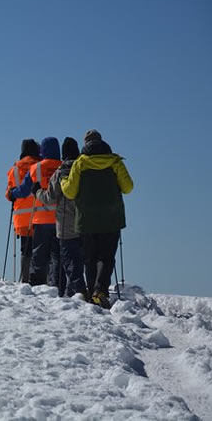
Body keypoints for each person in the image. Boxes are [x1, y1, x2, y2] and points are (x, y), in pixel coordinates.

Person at [60, 130, 133, 308]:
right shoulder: (115, 162)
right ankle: (100, 291)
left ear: (85, 144)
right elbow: (128, 187)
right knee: (106, 256)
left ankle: (93, 293)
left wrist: (63, 180)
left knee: (90, 258)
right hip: (111, 217)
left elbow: (70, 192)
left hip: (86, 219)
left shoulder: (80, 163)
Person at [33, 137, 86, 298]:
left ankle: (73, 292)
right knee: (79, 261)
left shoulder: (60, 172)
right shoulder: (84, 170)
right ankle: (75, 292)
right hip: (85, 223)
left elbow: (50, 198)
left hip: (64, 225)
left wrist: (37, 191)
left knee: (67, 261)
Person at [10, 137, 62, 291]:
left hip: (41, 218)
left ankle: (37, 285)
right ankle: (56, 285)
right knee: (56, 255)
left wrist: (13, 193)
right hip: (61, 219)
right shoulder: (63, 167)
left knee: (38, 254)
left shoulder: (36, 168)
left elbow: (24, 190)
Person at [5, 139, 40, 283]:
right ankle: (40, 281)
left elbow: (9, 194)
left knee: (25, 250)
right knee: (40, 250)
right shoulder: (40, 167)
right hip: (40, 214)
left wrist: (11, 194)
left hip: (22, 218)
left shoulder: (14, 169)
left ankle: (25, 280)